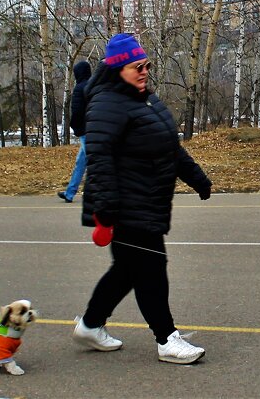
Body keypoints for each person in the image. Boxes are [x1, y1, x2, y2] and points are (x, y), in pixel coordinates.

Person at [72, 33, 213, 365]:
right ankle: (167, 339)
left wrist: (196, 177)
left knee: (126, 270)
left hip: (147, 200)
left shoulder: (143, 98)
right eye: (137, 66)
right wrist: (105, 210)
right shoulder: (107, 102)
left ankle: (90, 325)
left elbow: (169, 145)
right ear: (119, 68)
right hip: (125, 206)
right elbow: (100, 157)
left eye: (147, 65)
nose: (144, 71)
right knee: (151, 269)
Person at [57, 60, 92, 203]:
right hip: (93, 128)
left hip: (85, 130)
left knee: (94, 163)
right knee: (81, 162)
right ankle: (70, 193)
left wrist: (75, 127)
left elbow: (77, 111)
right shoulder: (93, 86)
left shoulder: (79, 88)